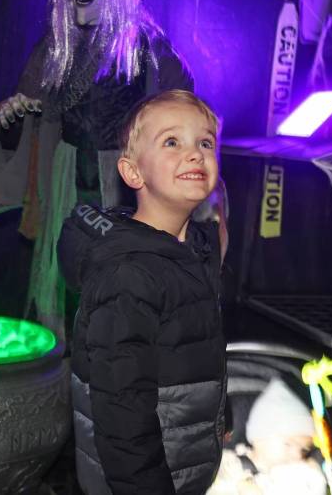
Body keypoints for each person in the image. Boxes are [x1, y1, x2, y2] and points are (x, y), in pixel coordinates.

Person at [0, 0, 201, 338]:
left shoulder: (150, 52)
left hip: (121, 195)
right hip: (63, 188)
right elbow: (29, 119)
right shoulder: (54, 49)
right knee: (62, 295)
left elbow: (187, 137)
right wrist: (16, 118)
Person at [57, 89, 227, 494]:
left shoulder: (193, 252)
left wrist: (218, 421)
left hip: (181, 464)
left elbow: (196, 352)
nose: (194, 153)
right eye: (172, 141)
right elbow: (121, 411)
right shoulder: (129, 275)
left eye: (204, 142)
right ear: (133, 173)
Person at [208, 378, 328, 495]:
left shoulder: (298, 477)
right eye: (288, 444)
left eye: (304, 450)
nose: (297, 455)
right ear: (259, 437)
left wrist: (315, 474)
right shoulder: (228, 464)